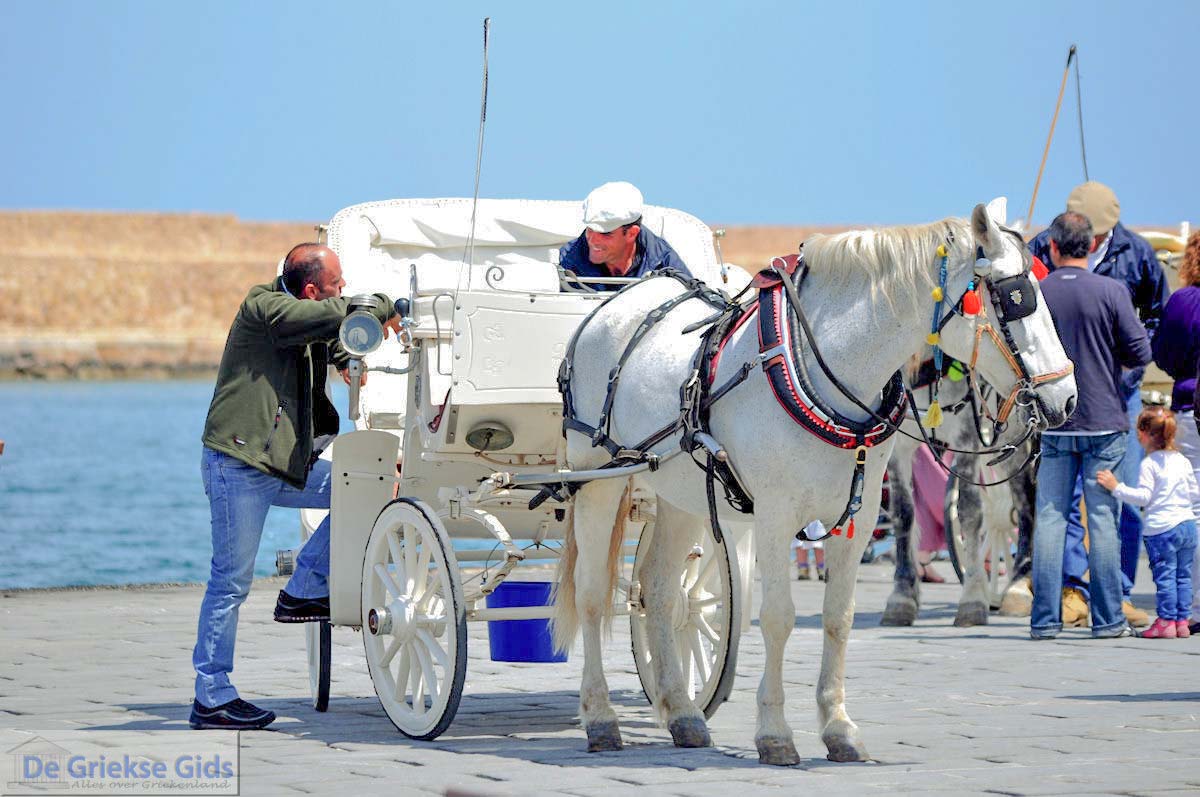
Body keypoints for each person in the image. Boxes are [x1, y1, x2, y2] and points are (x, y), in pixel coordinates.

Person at [191, 243, 398, 730]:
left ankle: (304, 587)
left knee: (369, 488)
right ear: (310, 290)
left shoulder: (303, 316)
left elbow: (330, 333)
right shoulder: (264, 307)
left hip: (282, 464)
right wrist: (382, 305)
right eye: (336, 284)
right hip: (239, 465)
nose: (343, 289)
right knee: (230, 583)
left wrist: (346, 357)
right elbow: (322, 318)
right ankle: (211, 696)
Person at [1029, 182, 1168, 626]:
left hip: (1068, 412)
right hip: (1104, 411)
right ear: (1088, 244)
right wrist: (1117, 362)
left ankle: (1050, 617)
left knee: (1057, 514)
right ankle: (1092, 605)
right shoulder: (1109, 288)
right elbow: (1141, 347)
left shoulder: (1133, 254)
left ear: (1056, 246)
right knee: (1104, 511)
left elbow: (1157, 315)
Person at [1097, 407, 1200, 638]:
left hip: (1162, 529)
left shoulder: (1149, 463)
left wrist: (1116, 487)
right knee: (1183, 577)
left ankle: (1166, 621)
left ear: (1144, 434)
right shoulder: (1182, 460)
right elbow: (1194, 493)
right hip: (1187, 525)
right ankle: (1182, 621)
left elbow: (1144, 497)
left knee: (1165, 577)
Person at [1152, 230, 1200, 631]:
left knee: (1193, 508)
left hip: (1192, 407)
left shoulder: (1185, 301)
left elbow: (1165, 355)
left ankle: (1195, 605)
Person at [558, 181, 691, 289]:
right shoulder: (567, 261)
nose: (593, 240)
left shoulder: (664, 263)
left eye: (605, 233)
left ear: (632, 233)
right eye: (590, 229)